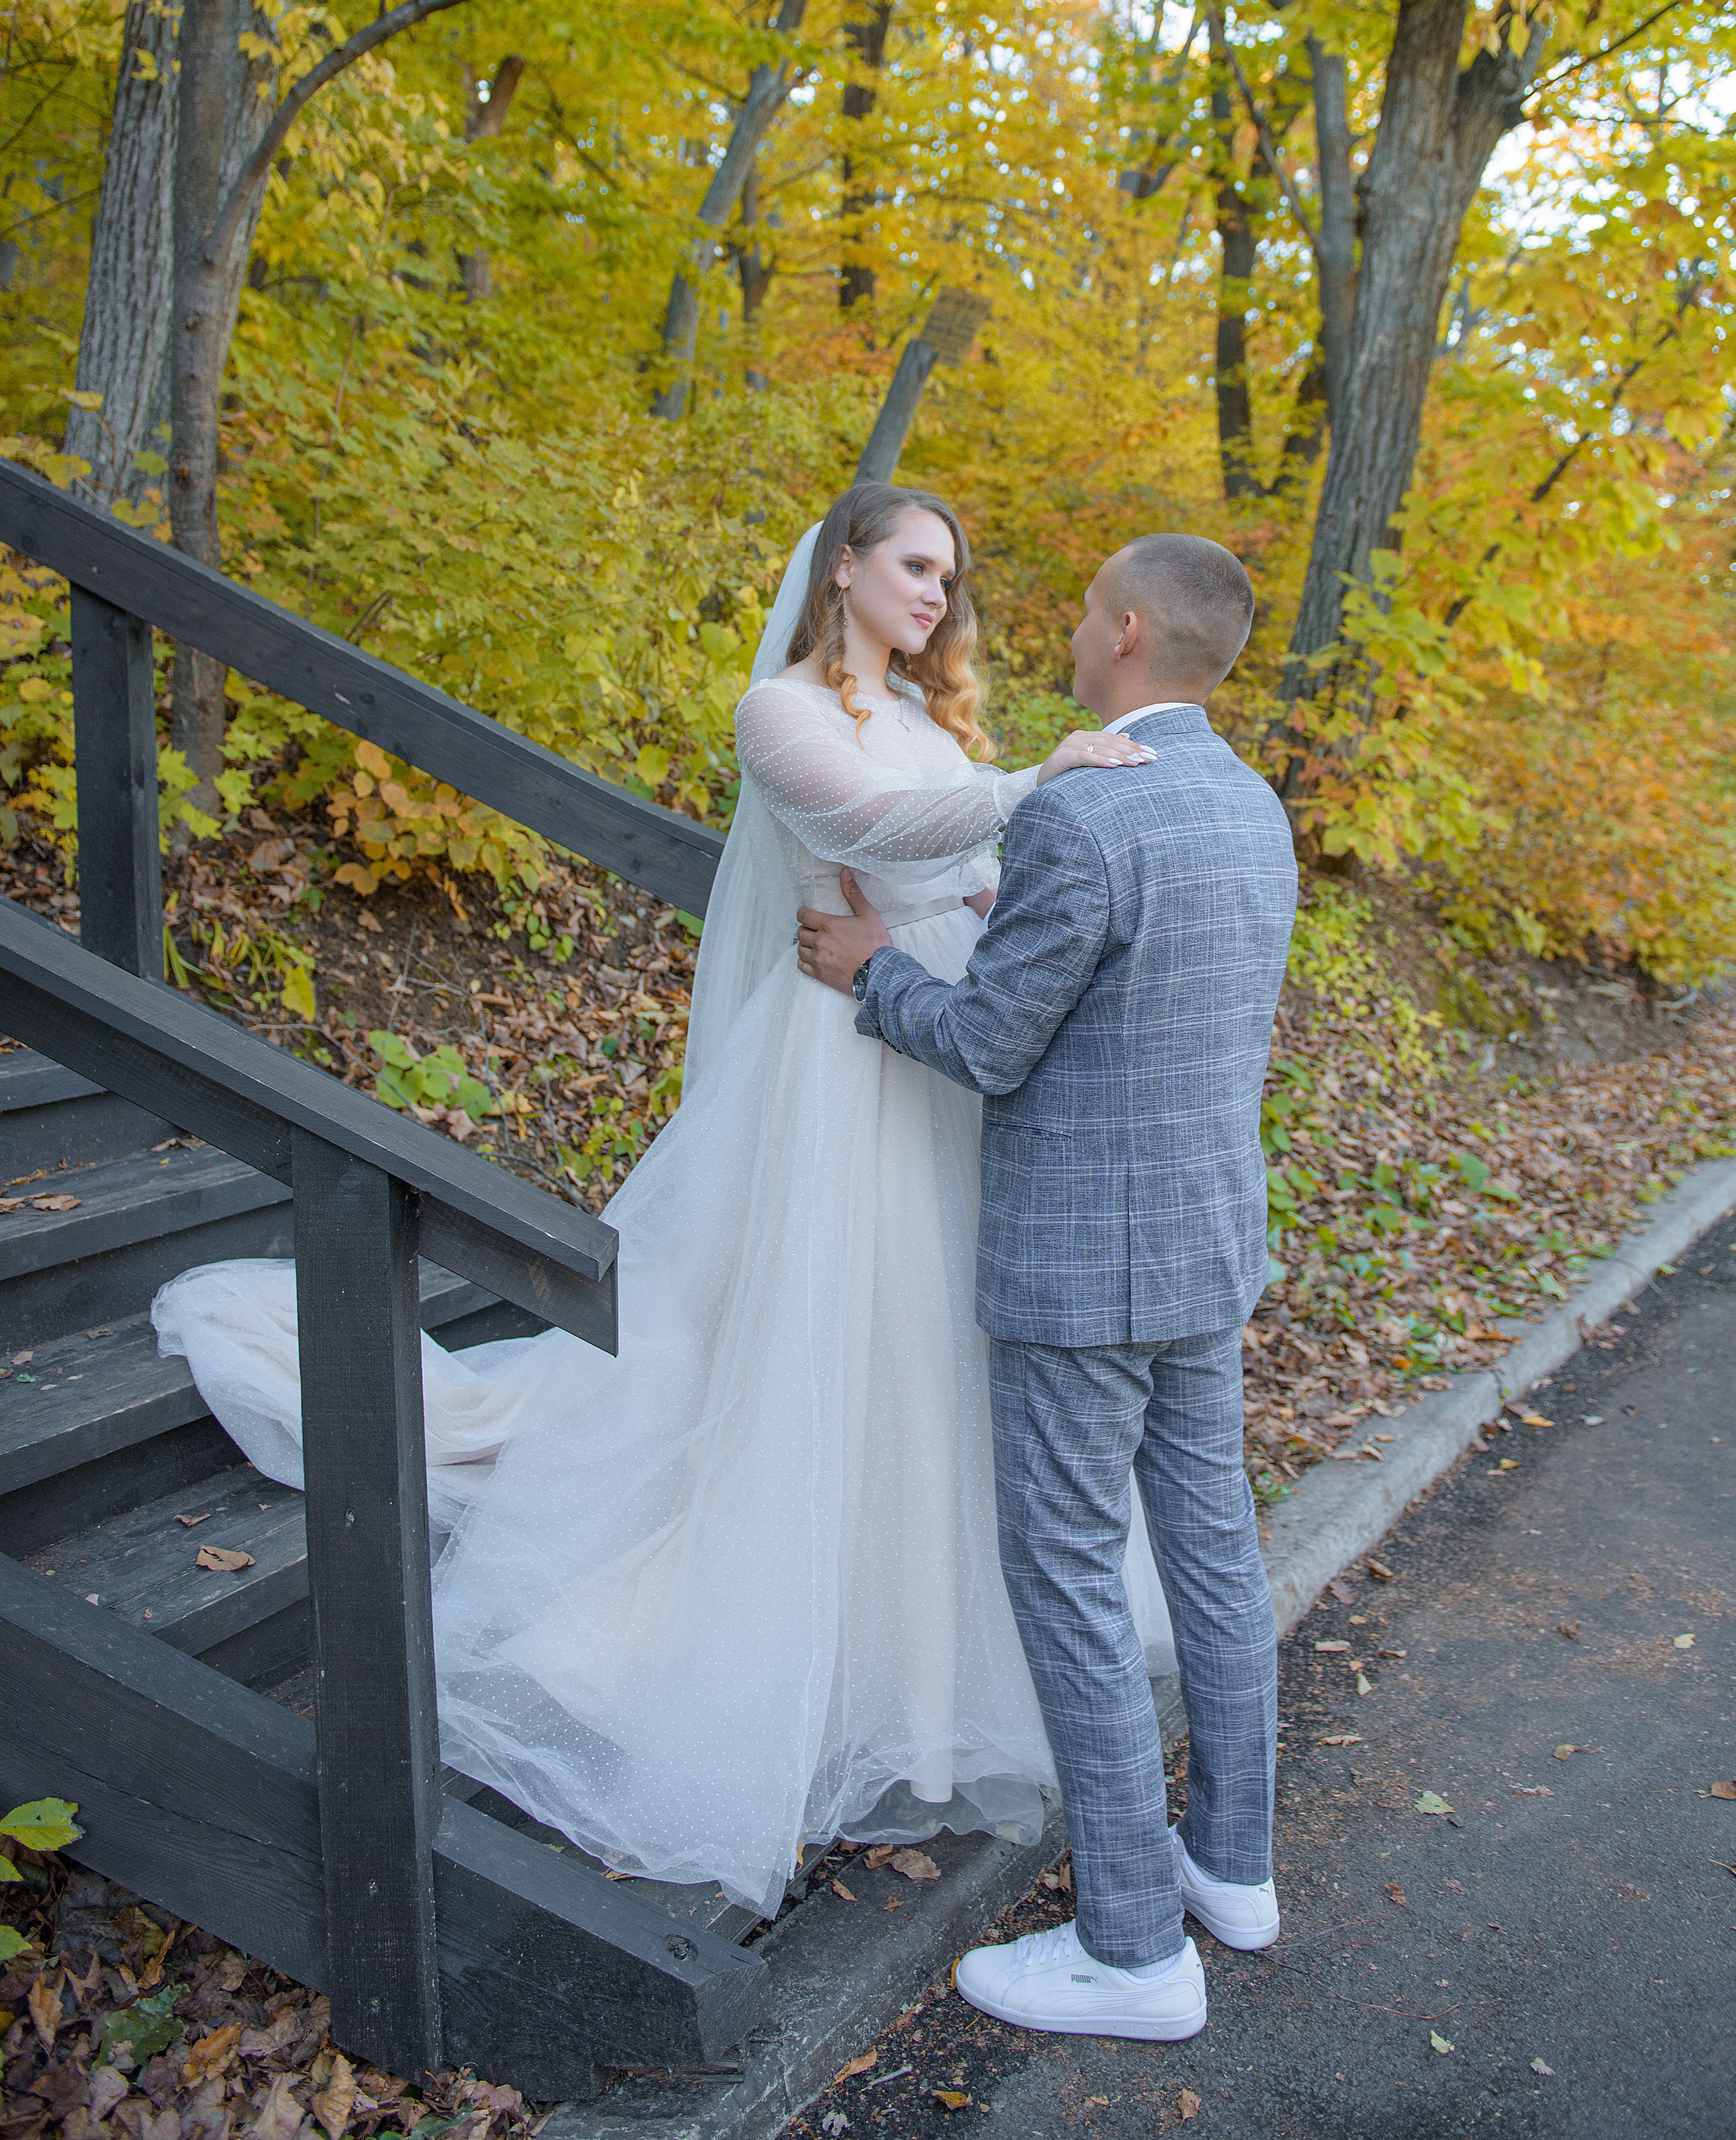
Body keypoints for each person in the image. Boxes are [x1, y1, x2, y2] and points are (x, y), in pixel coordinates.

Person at [152, 481, 1166, 1917]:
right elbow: (869, 820)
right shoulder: (781, 713)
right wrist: (1033, 784)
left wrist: (1010, 896)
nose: (938, 594)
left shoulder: (930, 719)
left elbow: (963, 867)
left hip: (930, 1027)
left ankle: (923, 1669)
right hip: (839, 1052)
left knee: (931, 1345)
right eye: (915, 565)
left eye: (950, 575)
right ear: (843, 569)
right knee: (829, 1329)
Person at [796, 533, 1297, 2041]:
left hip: (1082, 1265)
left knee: (1069, 1575)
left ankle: (1133, 1950)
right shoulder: (1251, 801)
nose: (1071, 632)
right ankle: (1232, 1869)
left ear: (1128, 630)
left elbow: (987, 1043)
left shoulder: (1086, 809)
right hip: (1205, 1244)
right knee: (1214, 1551)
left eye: (1086, 612)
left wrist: (873, 967)